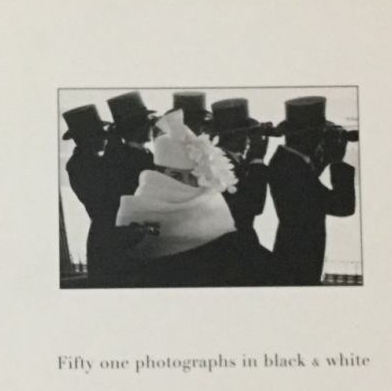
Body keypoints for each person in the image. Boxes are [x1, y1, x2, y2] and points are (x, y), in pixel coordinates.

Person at [115, 110, 277, 287]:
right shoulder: (140, 217)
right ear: (159, 176)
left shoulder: (215, 214)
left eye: (194, 176)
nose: (187, 183)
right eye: (176, 176)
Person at [268, 96, 356, 285]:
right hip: (299, 261)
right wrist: (338, 161)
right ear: (309, 136)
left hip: (294, 253)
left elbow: (310, 176)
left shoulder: (289, 161)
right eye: (321, 134)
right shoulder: (291, 169)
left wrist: (325, 158)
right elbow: (343, 206)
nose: (322, 140)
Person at [63, 104, 151, 286]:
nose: (103, 137)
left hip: (109, 236)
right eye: (98, 134)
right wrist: (117, 147)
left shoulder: (92, 161)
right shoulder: (82, 165)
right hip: (109, 239)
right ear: (84, 138)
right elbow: (109, 195)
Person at [210, 98, 269, 243]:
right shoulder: (218, 163)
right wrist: (257, 159)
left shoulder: (232, 158)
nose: (249, 139)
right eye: (247, 133)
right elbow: (255, 206)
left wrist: (252, 160)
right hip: (233, 243)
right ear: (238, 135)